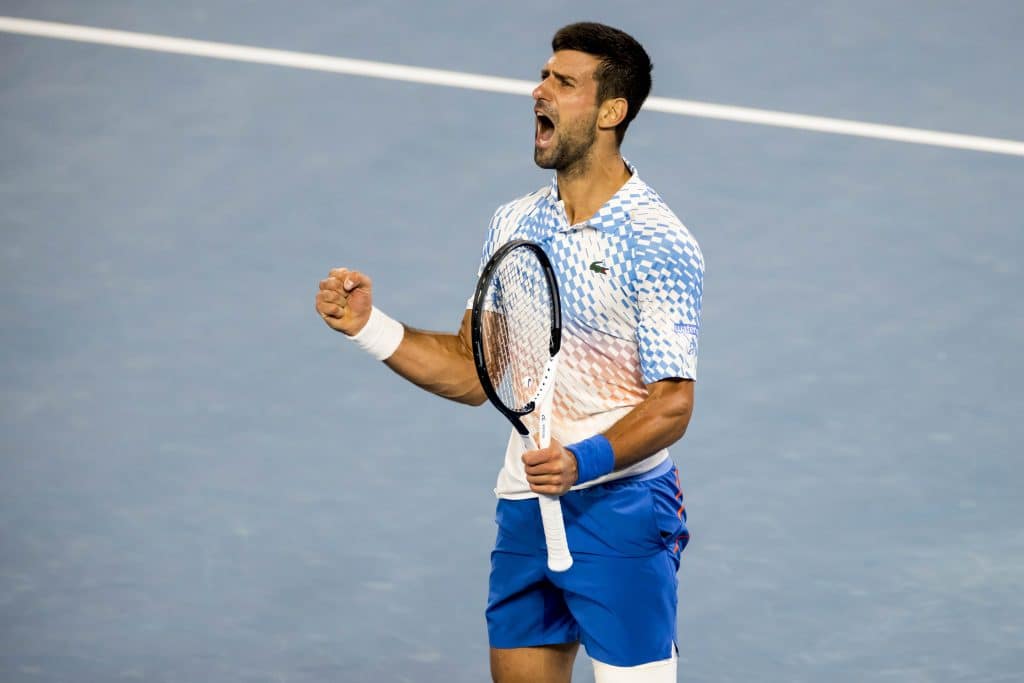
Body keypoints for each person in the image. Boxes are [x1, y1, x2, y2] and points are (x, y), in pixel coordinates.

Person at [316, 22, 703, 683]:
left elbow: (672, 403)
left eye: (563, 82)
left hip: (621, 512)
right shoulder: (514, 222)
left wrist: (583, 461)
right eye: (544, 75)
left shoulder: (656, 242)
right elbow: (476, 371)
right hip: (525, 503)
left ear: (611, 112)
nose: (538, 90)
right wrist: (368, 325)